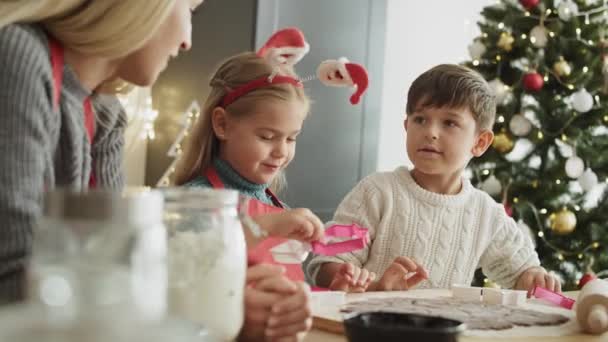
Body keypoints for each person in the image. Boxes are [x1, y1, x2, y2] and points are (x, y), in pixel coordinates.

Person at [0, 0, 201, 303]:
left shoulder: (105, 113)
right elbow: (14, 274)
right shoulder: (16, 56)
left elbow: (113, 258)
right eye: (189, 9)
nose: (187, 41)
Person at [307, 64, 562, 295]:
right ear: (407, 126)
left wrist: (532, 277)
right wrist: (358, 281)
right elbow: (327, 264)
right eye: (420, 119)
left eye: (450, 123)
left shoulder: (486, 214)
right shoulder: (377, 192)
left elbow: (521, 273)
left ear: (480, 142)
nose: (430, 132)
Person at [174, 50, 323, 340]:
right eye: (267, 137)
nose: (281, 151)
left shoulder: (277, 206)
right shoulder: (195, 202)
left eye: (291, 138)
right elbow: (190, 267)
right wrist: (267, 227)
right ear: (222, 124)